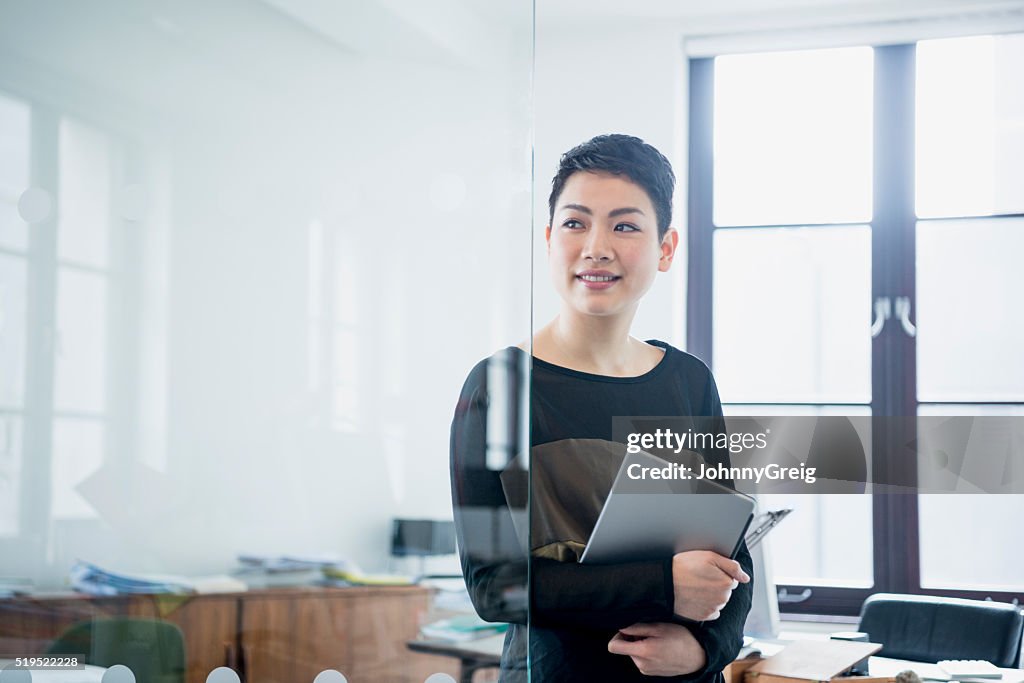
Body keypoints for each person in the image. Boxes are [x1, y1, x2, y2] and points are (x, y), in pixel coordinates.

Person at [450, 134, 753, 682]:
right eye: (575, 223)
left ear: (665, 249)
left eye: (625, 225)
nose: (597, 246)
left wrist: (705, 650)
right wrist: (664, 585)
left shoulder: (689, 381)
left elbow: (734, 558)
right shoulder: (499, 387)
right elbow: (493, 587)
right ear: (548, 240)